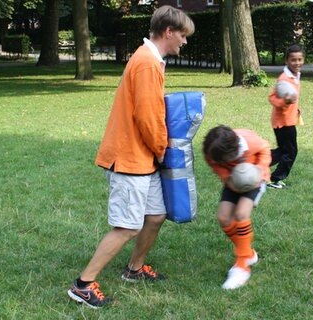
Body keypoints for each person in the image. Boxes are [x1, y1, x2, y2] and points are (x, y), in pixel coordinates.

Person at [67, 5, 194, 309]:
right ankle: (83, 285)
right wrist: (165, 152)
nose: (184, 41)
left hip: (142, 159)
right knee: (127, 226)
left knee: (155, 216)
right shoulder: (147, 63)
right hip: (130, 160)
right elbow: (149, 119)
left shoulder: (150, 59)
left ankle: (134, 269)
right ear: (168, 32)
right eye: (183, 35)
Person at [202, 125, 271, 290]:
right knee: (224, 218)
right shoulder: (212, 152)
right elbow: (214, 164)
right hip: (232, 182)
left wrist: (260, 170)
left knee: (241, 214)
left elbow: (266, 148)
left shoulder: (249, 141)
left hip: (253, 180)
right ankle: (248, 253)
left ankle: (242, 265)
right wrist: (227, 177)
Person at [267, 44, 305, 189]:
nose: (297, 63)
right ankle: (275, 179)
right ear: (286, 61)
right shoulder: (284, 79)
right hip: (282, 122)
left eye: (300, 59)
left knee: (284, 151)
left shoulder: (294, 75)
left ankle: (256, 163)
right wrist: (285, 101)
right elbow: (272, 98)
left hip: (288, 120)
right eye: (293, 60)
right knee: (290, 151)